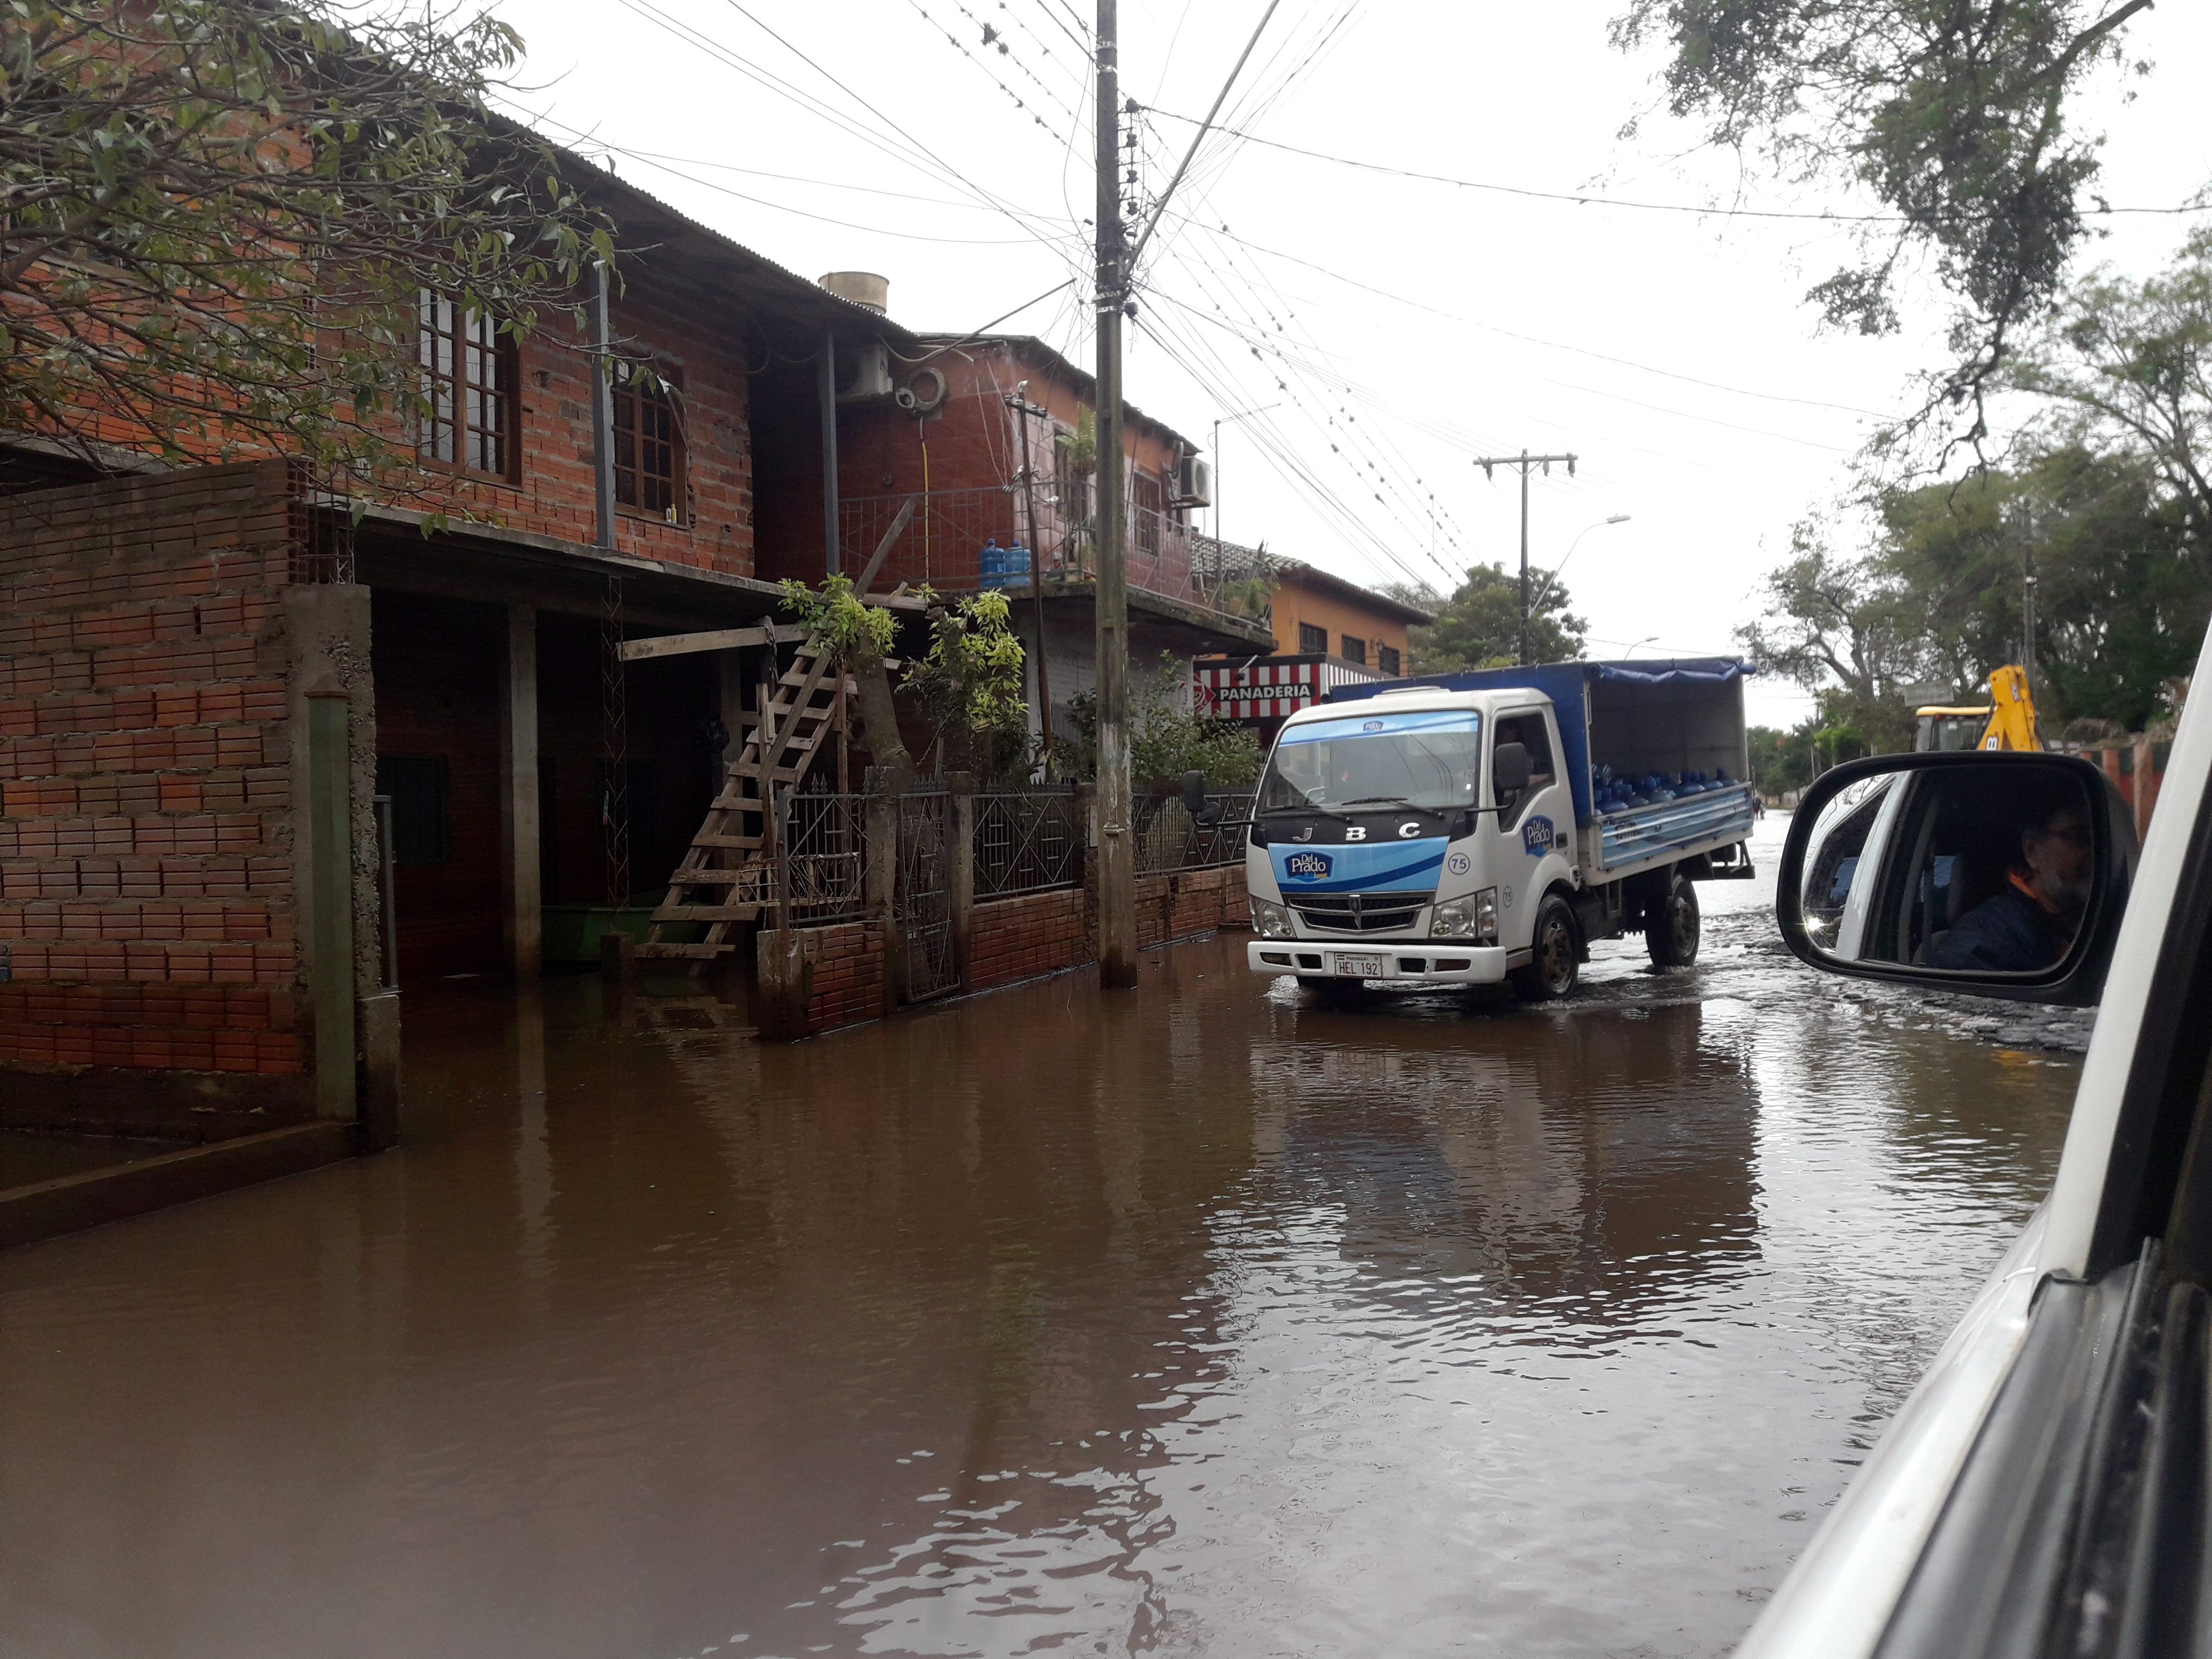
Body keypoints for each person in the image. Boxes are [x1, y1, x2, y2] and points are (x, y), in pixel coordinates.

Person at [1926, 788, 2094, 972]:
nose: (2095, 853)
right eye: (2081, 837)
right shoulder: (1979, 951)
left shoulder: (2101, 921)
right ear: (2032, 851)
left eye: (2100, 839)